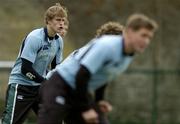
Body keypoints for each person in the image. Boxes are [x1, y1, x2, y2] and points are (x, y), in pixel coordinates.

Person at [38, 13, 158, 124]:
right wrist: (85, 109)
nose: (146, 41)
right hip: (59, 86)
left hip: (79, 91)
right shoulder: (108, 46)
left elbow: (103, 75)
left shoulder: (128, 54)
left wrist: (99, 100)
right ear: (129, 32)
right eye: (143, 35)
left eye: (149, 37)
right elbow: (82, 74)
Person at [1, 3, 68, 124]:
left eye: (63, 20)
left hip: (39, 87)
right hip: (21, 86)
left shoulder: (59, 41)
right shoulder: (35, 37)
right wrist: (46, 82)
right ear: (48, 21)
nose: (61, 23)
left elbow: (55, 67)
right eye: (58, 20)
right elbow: (25, 69)